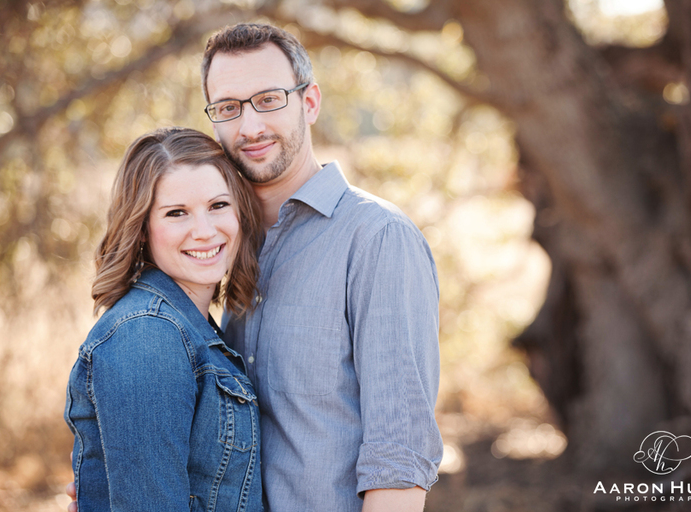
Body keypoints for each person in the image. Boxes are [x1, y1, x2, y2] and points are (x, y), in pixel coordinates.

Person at [69, 23, 443, 512]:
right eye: (228, 108)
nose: (249, 127)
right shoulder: (230, 251)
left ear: (309, 102)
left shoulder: (377, 240)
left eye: (269, 99)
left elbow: (399, 459)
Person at [64, 127, 264, 511]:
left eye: (218, 205)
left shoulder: (192, 329)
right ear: (141, 230)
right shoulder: (148, 335)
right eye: (177, 213)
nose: (205, 231)